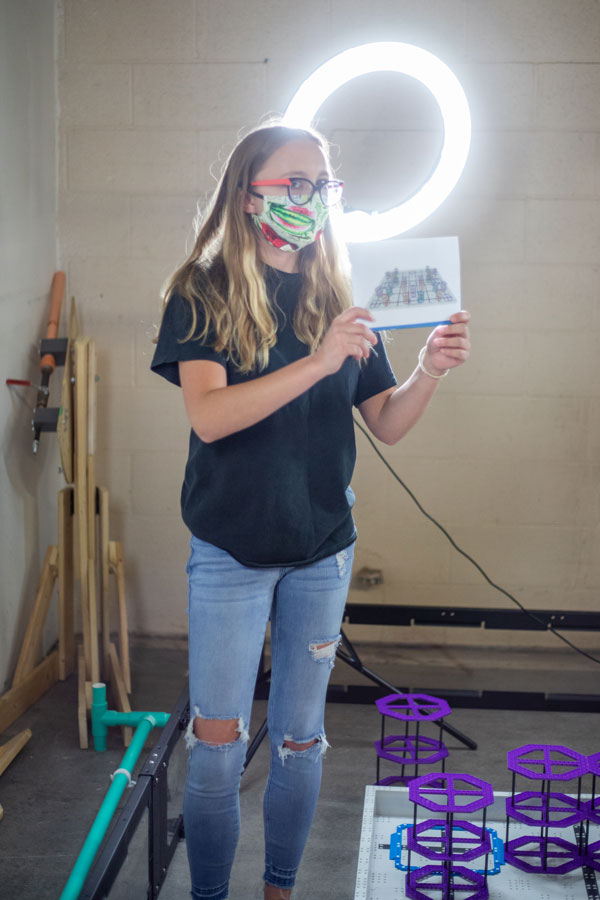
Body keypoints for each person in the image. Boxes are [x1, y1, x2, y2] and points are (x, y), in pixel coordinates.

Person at [151, 121, 470, 900]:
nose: (312, 200)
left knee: (303, 743)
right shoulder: (204, 289)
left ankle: (281, 889)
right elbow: (210, 417)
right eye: (295, 184)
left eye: (322, 186)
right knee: (219, 747)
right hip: (230, 549)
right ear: (248, 192)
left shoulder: (335, 295)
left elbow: (387, 422)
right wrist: (321, 359)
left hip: (322, 549)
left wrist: (428, 369)